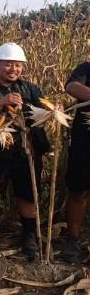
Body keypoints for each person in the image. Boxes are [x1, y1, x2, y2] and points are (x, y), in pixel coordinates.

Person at [0, 42, 49, 261]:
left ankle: (29, 236)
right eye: (8, 65)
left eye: (18, 65)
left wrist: (53, 110)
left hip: (26, 152)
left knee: (28, 194)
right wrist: (1, 102)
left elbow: (42, 112)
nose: (14, 69)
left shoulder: (30, 89)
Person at [61, 61, 90, 263]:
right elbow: (71, 86)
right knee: (78, 189)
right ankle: (72, 239)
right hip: (84, 139)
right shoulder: (86, 68)